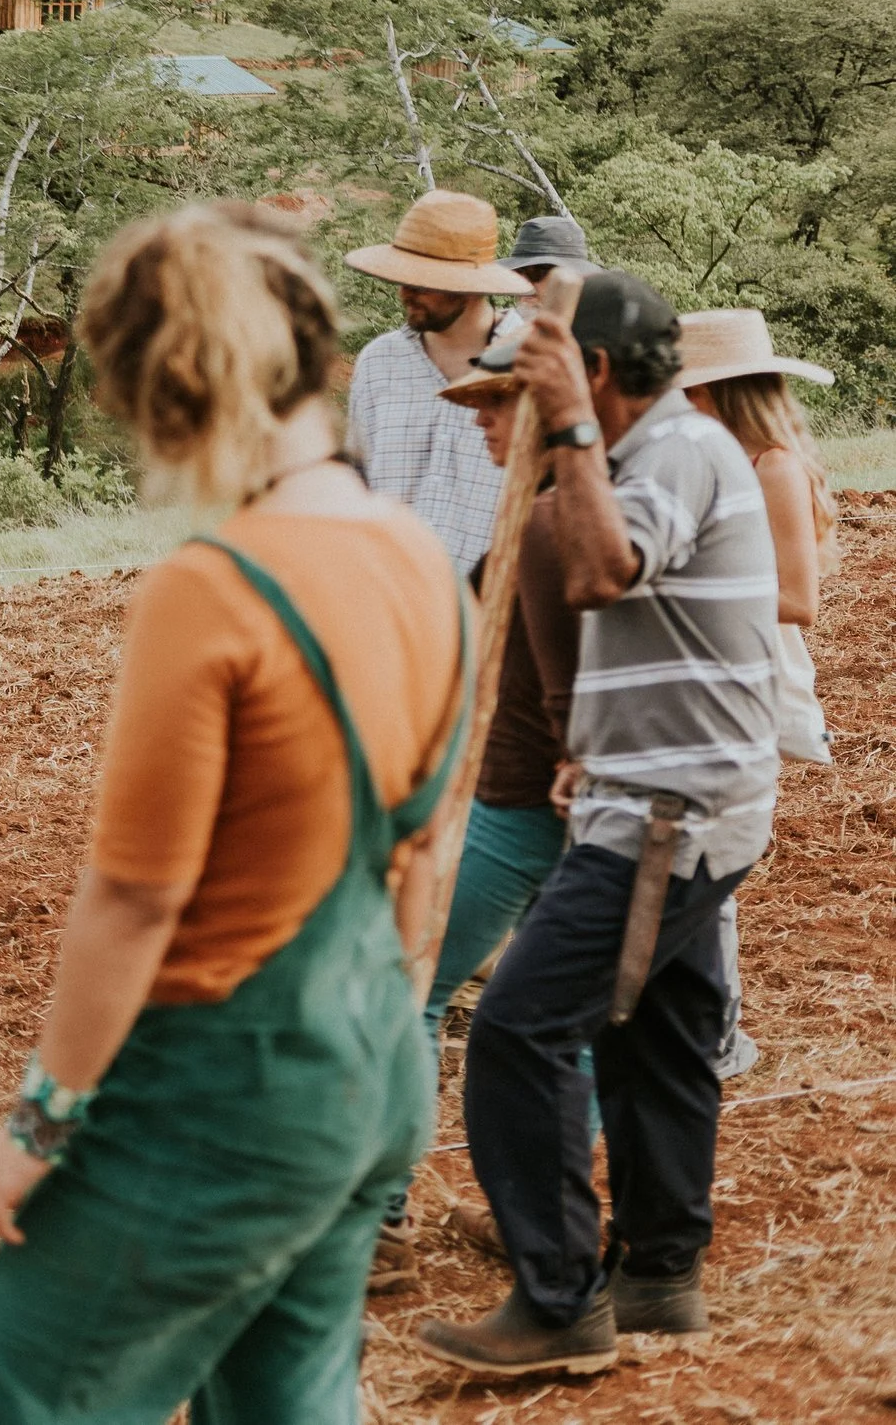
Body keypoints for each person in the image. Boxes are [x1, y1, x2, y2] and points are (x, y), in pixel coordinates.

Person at [0, 203, 468, 1422]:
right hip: (370, 1068)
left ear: (169, 388)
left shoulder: (209, 590)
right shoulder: (420, 554)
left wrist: (38, 1124)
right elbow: (425, 857)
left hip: (219, 1103)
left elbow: (137, 895)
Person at [419, 273, 781, 1376]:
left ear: (598, 376)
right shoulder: (641, 456)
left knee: (521, 1029)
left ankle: (558, 1297)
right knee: (655, 1037)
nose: (512, 412)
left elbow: (597, 570)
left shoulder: (669, 450)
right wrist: (592, 747)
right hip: (673, 795)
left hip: (669, 813)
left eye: (533, 385)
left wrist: (566, 428)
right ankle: (659, 1275)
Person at [371, 324, 583, 1294]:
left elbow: (561, 698)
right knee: (562, 1016)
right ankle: (553, 1210)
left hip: (521, 800)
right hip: (543, 799)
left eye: (498, 405)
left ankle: (376, 1212)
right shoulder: (544, 510)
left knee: (408, 983)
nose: (481, 423)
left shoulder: (543, 522)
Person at [678, 307, 840, 1081]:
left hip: (754, 663)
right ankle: (708, 1026)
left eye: (688, 390)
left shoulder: (772, 463)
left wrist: (683, 590)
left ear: (718, 391)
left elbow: (799, 597)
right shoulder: (721, 455)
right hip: (720, 660)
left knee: (711, 856)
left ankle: (719, 1032)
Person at [344, 189, 536, 572]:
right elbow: (355, 485)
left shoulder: (531, 365)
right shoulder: (378, 362)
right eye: (402, 279)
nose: (404, 294)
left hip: (490, 609)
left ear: (468, 288)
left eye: (421, 283)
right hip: (390, 600)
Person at [497, 213, 599, 312]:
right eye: (517, 273)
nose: (524, 282)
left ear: (572, 278)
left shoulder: (600, 326)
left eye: (537, 273)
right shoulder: (501, 325)